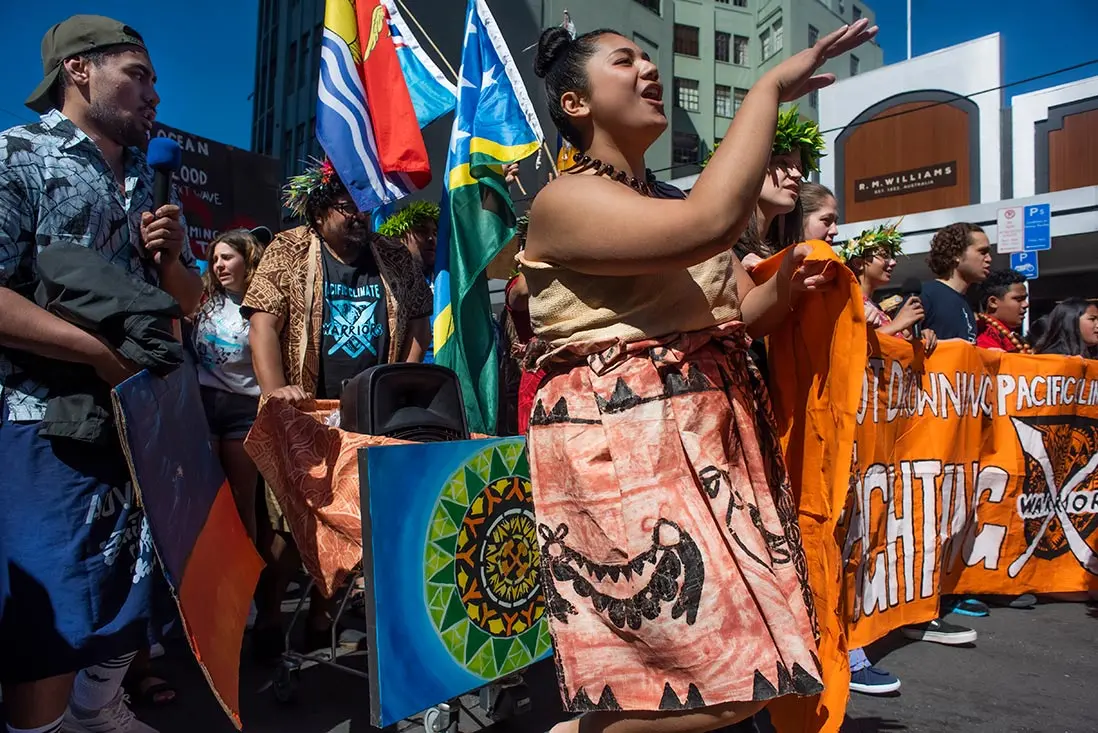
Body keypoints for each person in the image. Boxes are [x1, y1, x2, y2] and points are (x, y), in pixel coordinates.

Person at [524, 19, 876, 732]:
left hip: (709, 436)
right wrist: (770, 87)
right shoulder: (562, 201)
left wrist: (786, 289)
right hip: (626, 448)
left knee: (762, 660)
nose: (649, 70)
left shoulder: (663, 198)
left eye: (650, 59)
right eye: (626, 61)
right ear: (575, 105)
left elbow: (736, 310)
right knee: (721, 682)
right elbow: (715, 221)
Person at [0, 15, 202, 733]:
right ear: (79, 70)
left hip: (135, 424)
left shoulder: (141, 181)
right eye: (138, 74)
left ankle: (97, 710)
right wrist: (94, 353)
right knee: (47, 618)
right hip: (45, 427)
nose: (153, 93)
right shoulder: (17, 155)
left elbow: (186, 307)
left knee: (125, 587)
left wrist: (173, 259)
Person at [242, 159, 431, 662]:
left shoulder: (393, 255)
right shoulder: (288, 248)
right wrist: (276, 390)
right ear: (321, 209)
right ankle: (271, 617)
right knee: (286, 524)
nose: (358, 217)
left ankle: (322, 617)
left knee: (357, 522)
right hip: (305, 409)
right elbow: (262, 325)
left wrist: (401, 382)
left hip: (370, 414)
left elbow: (417, 323)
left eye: (364, 207)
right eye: (348, 208)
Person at [191, 228, 269, 540]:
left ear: (248, 260)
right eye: (215, 259)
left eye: (227, 257)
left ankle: (248, 584)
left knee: (240, 501)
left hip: (245, 412)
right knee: (207, 498)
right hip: (204, 406)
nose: (219, 265)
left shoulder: (263, 309)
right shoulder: (204, 301)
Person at [920, 222, 991, 343]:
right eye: (982, 252)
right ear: (956, 254)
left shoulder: (967, 302)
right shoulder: (926, 295)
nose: (989, 259)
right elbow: (901, 343)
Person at [976, 269, 1031, 353]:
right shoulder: (984, 335)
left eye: (1025, 299)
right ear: (993, 302)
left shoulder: (1007, 334)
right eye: (1018, 299)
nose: (1025, 304)